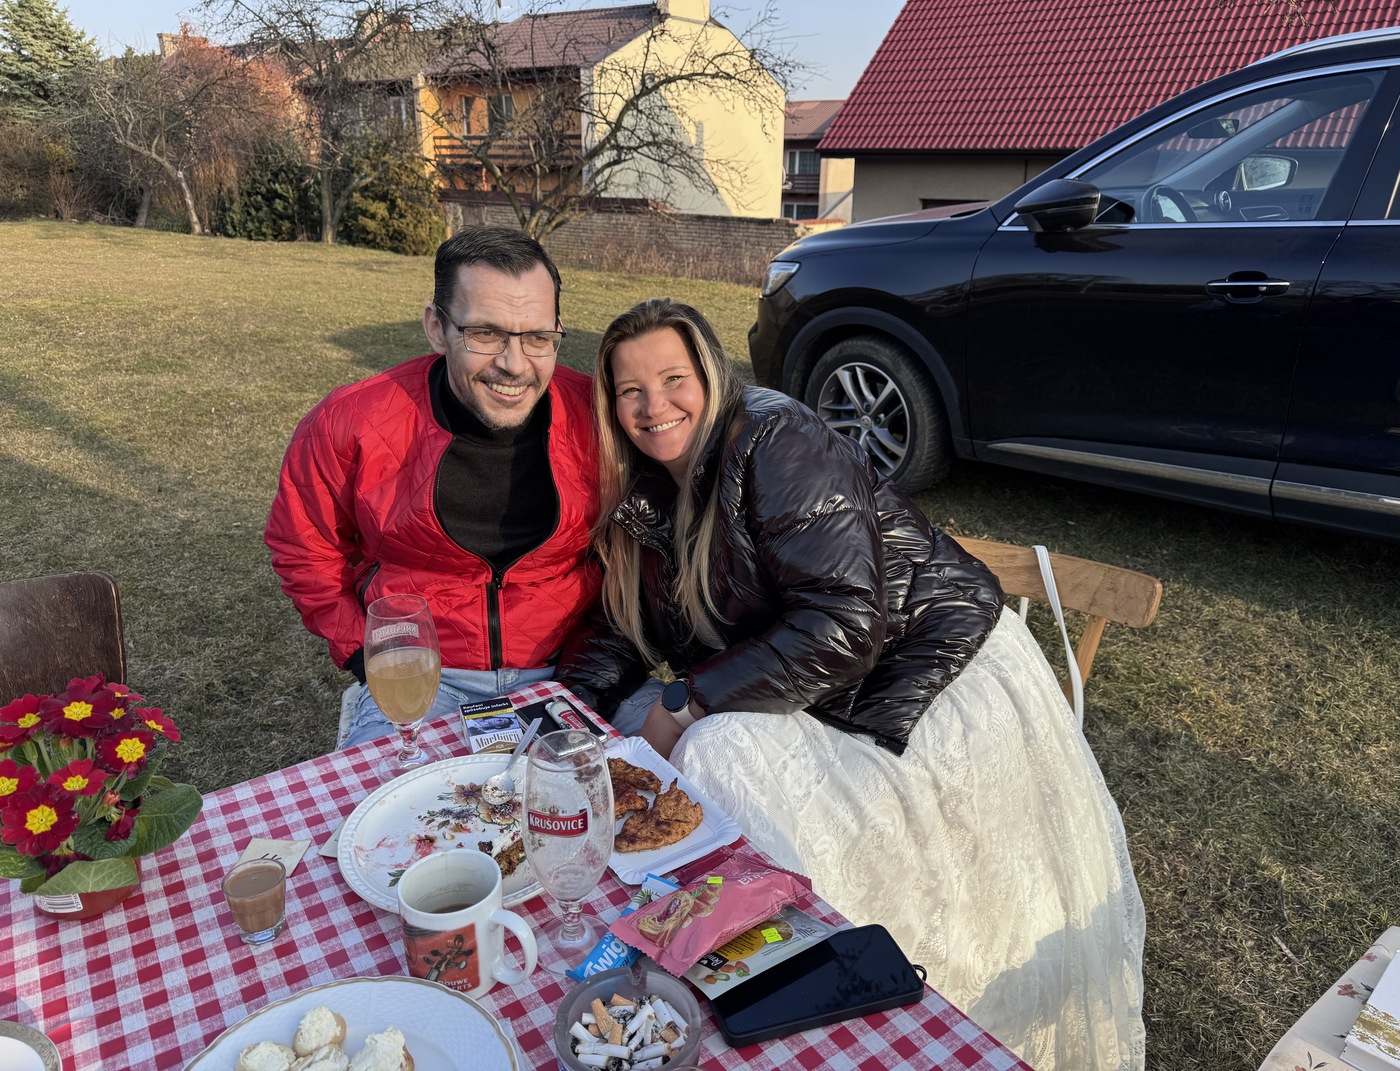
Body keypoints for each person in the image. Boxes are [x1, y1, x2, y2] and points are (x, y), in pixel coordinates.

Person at [557, 298, 1147, 1071]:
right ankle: (756, 967)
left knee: (720, 750)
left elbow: (843, 621)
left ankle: (830, 999)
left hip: (930, 672)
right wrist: (557, 723)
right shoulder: (648, 489)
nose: (653, 406)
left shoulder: (775, 439)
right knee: (683, 756)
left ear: (712, 375)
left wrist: (685, 699)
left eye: (674, 379)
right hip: (826, 681)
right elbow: (625, 625)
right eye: (630, 390)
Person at [265, 227, 603, 748]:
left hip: (573, 669)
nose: (514, 365)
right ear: (437, 329)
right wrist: (364, 653)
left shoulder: (600, 417)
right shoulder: (349, 422)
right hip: (424, 676)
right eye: (485, 333)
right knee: (388, 799)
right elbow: (304, 547)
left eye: (538, 338)